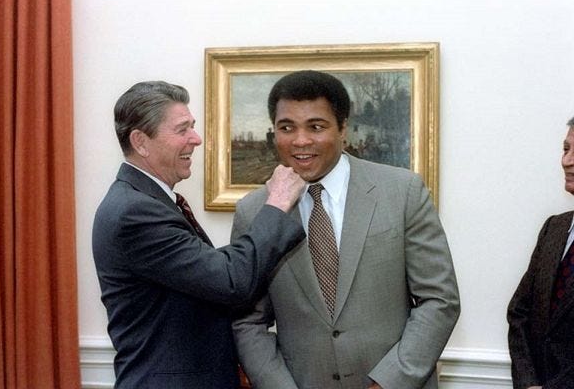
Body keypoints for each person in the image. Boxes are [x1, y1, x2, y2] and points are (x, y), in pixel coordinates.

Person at [232, 70, 460, 389]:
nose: (300, 141)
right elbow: (248, 321)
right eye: (287, 127)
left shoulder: (402, 192)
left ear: (343, 128)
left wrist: (389, 383)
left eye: (316, 126)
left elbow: (439, 300)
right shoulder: (255, 211)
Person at [92, 81, 307, 389]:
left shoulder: (149, 201)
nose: (196, 138)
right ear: (140, 141)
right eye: (183, 129)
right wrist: (278, 204)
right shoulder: (135, 212)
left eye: (192, 127)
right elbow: (231, 280)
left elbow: (207, 284)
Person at [507, 117, 574, 389]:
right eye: (566, 149)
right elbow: (519, 312)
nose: (567, 161)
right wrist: (528, 383)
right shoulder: (553, 229)